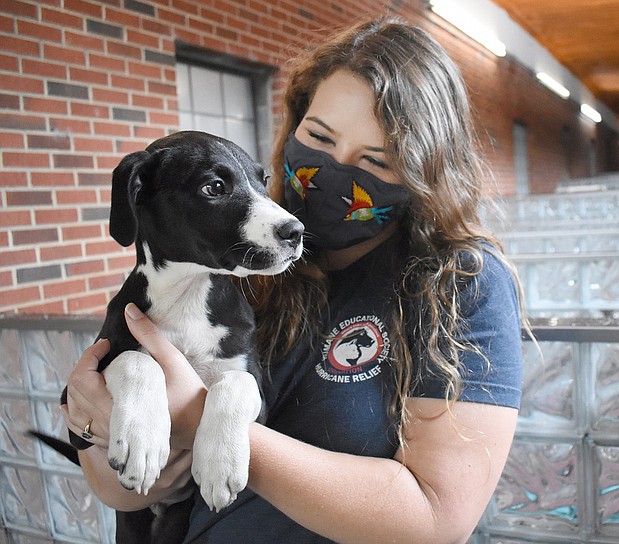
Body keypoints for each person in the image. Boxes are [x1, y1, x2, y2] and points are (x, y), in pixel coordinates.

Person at [60, 16, 525, 543]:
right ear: (294, 124)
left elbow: (435, 522)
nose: (335, 170)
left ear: (424, 173)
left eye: (375, 161)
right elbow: (122, 490)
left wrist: (202, 422)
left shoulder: (459, 281)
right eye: (320, 137)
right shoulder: (241, 256)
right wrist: (100, 427)